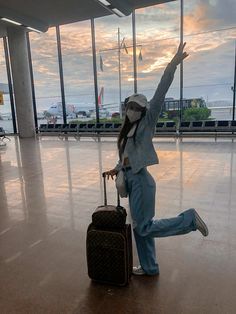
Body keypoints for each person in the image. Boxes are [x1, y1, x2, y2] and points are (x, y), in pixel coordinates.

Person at [104, 42, 209, 276]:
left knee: (144, 227)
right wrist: (116, 168)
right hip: (130, 180)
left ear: (143, 111)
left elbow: (160, 93)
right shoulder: (125, 130)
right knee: (140, 229)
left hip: (141, 181)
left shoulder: (146, 124)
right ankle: (149, 267)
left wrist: (171, 65)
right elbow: (126, 158)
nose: (134, 110)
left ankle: (189, 219)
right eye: (131, 106)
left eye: (138, 108)